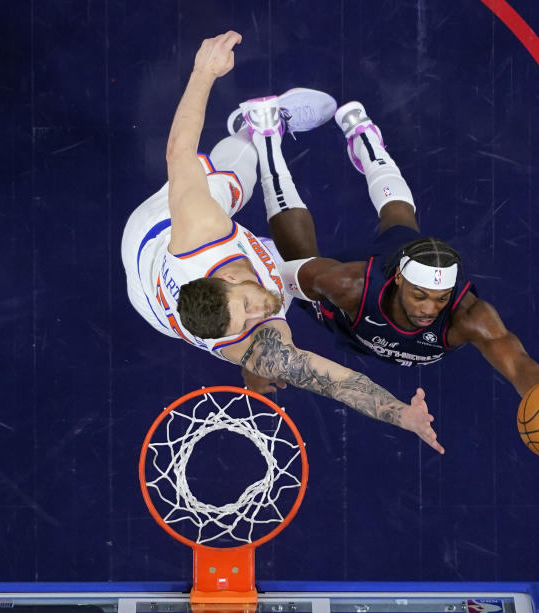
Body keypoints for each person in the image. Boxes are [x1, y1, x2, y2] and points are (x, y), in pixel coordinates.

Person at [119, 32, 444, 454]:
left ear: (228, 280)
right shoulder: (254, 342)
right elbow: (335, 383)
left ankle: (250, 131)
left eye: (247, 305)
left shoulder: (199, 230)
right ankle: (265, 133)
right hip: (155, 306)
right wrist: (402, 414)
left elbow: (178, 151)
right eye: (248, 321)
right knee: (298, 273)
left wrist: (204, 71)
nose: (260, 311)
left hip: (150, 234)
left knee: (234, 178)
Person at [234, 97, 539, 398]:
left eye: (441, 298)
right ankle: (267, 137)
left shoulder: (468, 315)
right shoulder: (345, 285)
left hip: (397, 263)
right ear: (399, 277)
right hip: (343, 305)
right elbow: (274, 282)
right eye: (420, 295)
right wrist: (258, 349)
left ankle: (364, 135)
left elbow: (518, 364)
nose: (429, 309)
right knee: (294, 257)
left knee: (399, 217)